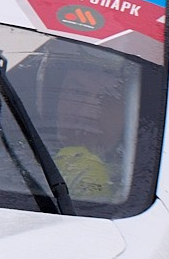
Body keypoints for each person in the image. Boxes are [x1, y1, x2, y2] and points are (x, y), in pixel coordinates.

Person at [45, 52, 132, 203]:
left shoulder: (136, 186)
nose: (87, 113)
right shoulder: (6, 151)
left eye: (107, 98)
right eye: (77, 92)